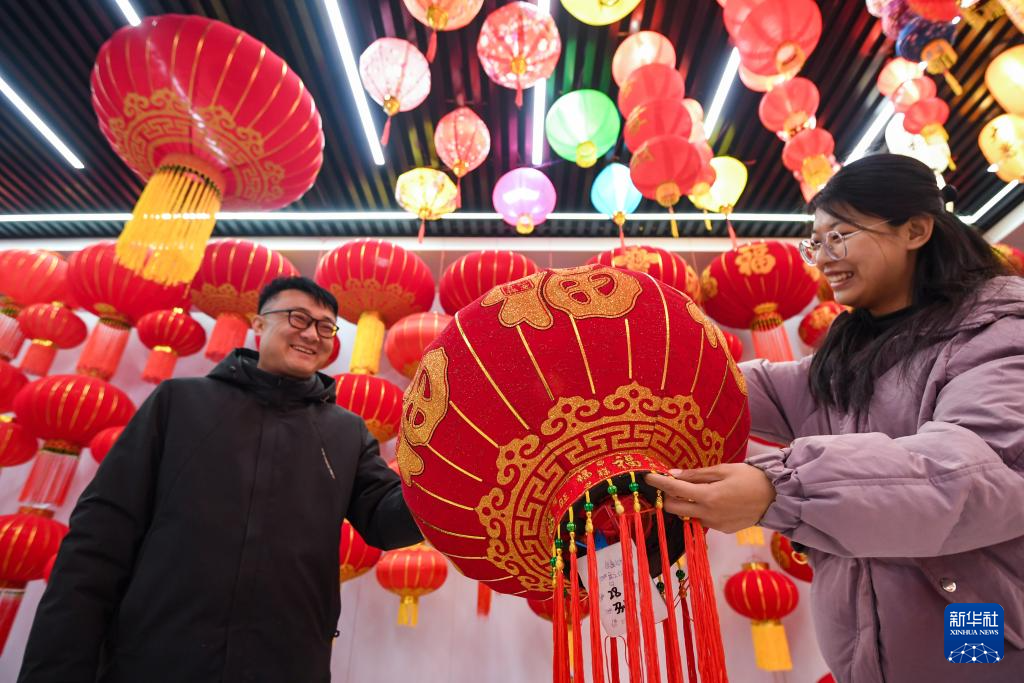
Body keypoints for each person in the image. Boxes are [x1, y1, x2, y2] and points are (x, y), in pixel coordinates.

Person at [647, 154, 1024, 682]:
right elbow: (738, 390)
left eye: (839, 237)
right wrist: (643, 377)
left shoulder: (1000, 333)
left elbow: (971, 472)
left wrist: (781, 489)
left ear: (915, 230)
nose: (822, 259)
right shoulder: (851, 355)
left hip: (977, 631)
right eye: (815, 243)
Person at [18, 276, 422, 683]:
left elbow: (386, 521)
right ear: (259, 323)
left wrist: (448, 469)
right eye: (298, 318)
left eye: (325, 327)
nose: (312, 334)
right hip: (156, 659)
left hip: (286, 664)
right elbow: (99, 539)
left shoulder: (346, 432)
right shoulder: (179, 403)